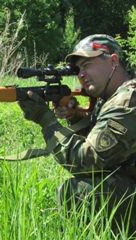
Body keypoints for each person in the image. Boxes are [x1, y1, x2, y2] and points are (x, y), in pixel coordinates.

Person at [18, 34, 136, 236]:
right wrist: (75, 117)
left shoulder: (126, 102)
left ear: (113, 61)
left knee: (75, 191)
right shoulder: (111, 97)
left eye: (87, 64)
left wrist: (46, 120)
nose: (81, 74)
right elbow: (109, 148)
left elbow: (86, 161)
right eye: (78, 69)